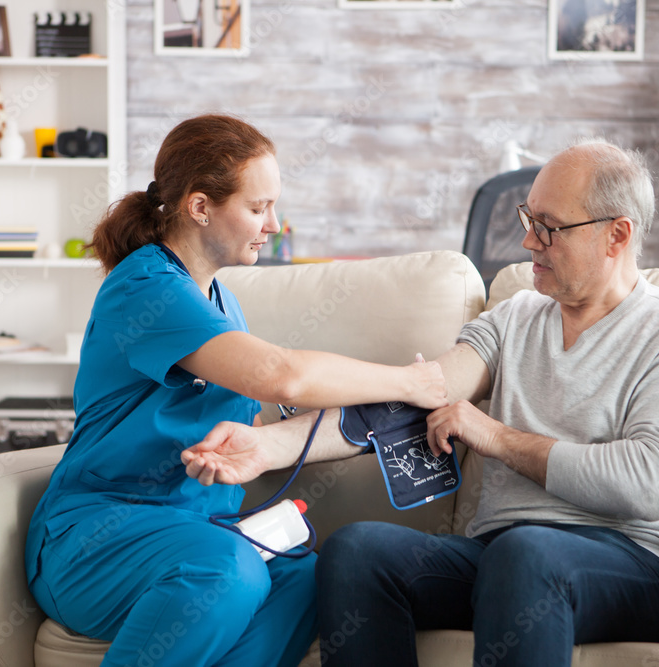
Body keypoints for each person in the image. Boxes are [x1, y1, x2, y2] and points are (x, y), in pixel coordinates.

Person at [181, 139, 659, 666]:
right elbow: (405, 397)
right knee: (357, 552)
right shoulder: (516, 319)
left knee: (527, 555)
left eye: (549, 229)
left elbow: (652, 481)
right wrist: (268, 445)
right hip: (503, 557)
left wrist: (497, 438)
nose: (529, 242)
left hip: (636, 563)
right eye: (527, 220)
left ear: (617, 235)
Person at [24, 114, 447, 667]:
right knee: (227, 567)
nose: (273, 223)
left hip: (194, 531)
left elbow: (258, 418)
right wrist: (409, 382)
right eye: (257, 207)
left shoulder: (221, 300)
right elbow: (282, 375)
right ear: (200, 207)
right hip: (95, 541)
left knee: (308, 574)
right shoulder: (145, 286)